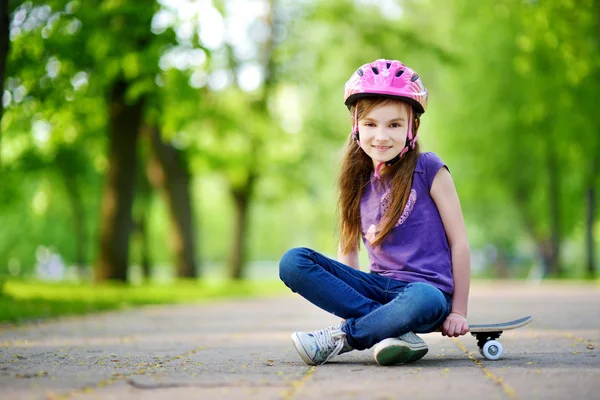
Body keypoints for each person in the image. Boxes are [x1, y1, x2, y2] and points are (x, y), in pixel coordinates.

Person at [278, 59, 471, 366]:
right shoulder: (355, 179)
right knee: (293, 262)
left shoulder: (429, 169)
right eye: (370, 124)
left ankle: (342, 338)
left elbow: (459, 242)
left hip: (424, 296)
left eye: (394, 125)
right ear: (356, 126)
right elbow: (349, 251)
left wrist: (458, 310)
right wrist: (351, 301)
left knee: (425, 297)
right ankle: (388, 329)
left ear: (413, 127)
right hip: (377, 291)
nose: (381, 135)